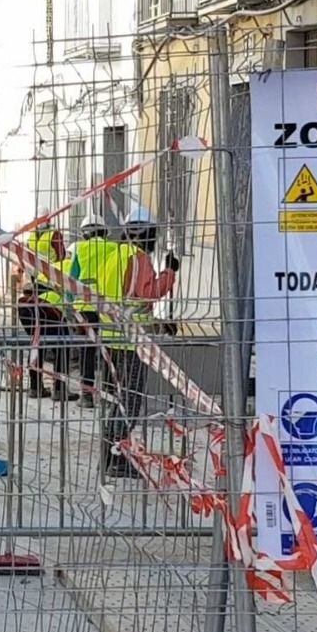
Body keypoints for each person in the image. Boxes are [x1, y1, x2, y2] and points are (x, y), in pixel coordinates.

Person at [94, 203, 179, 477]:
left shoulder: (113, 255)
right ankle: (115, 457)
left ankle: (109, 456)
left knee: (115, 402)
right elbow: (145, 294)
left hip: (110, 339)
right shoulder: (139, 257)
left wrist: (156, 322)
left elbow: (125, 299)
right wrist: (169, 274)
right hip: (130, 343)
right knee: (128, 403)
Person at [16, 222, 78, 402]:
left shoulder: (33, 240)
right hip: (47, 307)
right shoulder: (68, 265)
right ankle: (60, 389)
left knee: (38, 343)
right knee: (63, 345)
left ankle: (35, 388)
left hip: (27, 303)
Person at [69, 213, 113, 397]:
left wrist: (69, 304)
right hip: (109, 306)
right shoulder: (113, 248)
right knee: (111, 348)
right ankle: (110, 391)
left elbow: (72, 278)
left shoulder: (79, 249)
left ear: (84, 233)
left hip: (86, 306)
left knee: (87, 350)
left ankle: (86, 394)